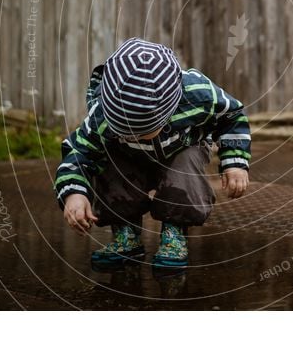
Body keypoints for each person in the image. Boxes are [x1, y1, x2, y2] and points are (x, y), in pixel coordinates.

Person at [54, 37, 251, 270]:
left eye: (140, 131)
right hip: (129, 158)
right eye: (122, 130)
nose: (131, 136)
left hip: (182, 147)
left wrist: (235, 161)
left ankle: (174, 231)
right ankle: (125, 231)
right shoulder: (101, 116)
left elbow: (232, 116)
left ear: (168, 111)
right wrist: (73, 194)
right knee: (108, 159)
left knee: (185, 162)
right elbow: (77, 152)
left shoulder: (199, 94)